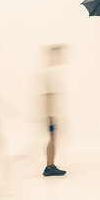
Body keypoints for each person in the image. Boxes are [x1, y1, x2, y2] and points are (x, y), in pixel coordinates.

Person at [42, 45, 67, 177]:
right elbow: (48, 96)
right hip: (50, 115)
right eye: (59, 54)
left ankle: (50, 165)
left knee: (53, 138)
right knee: (52, 138)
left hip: (51, 114)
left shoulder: (50, 72)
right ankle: (49, 167)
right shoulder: (49, 73)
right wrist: (50, 115)